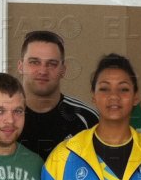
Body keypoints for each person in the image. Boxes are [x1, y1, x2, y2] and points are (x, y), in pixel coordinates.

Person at [17, 30, 98, 159]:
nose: (43, 71)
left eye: (52, 64)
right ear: (20, 66)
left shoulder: (87, 119)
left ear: (63, 70)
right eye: (34, 62)